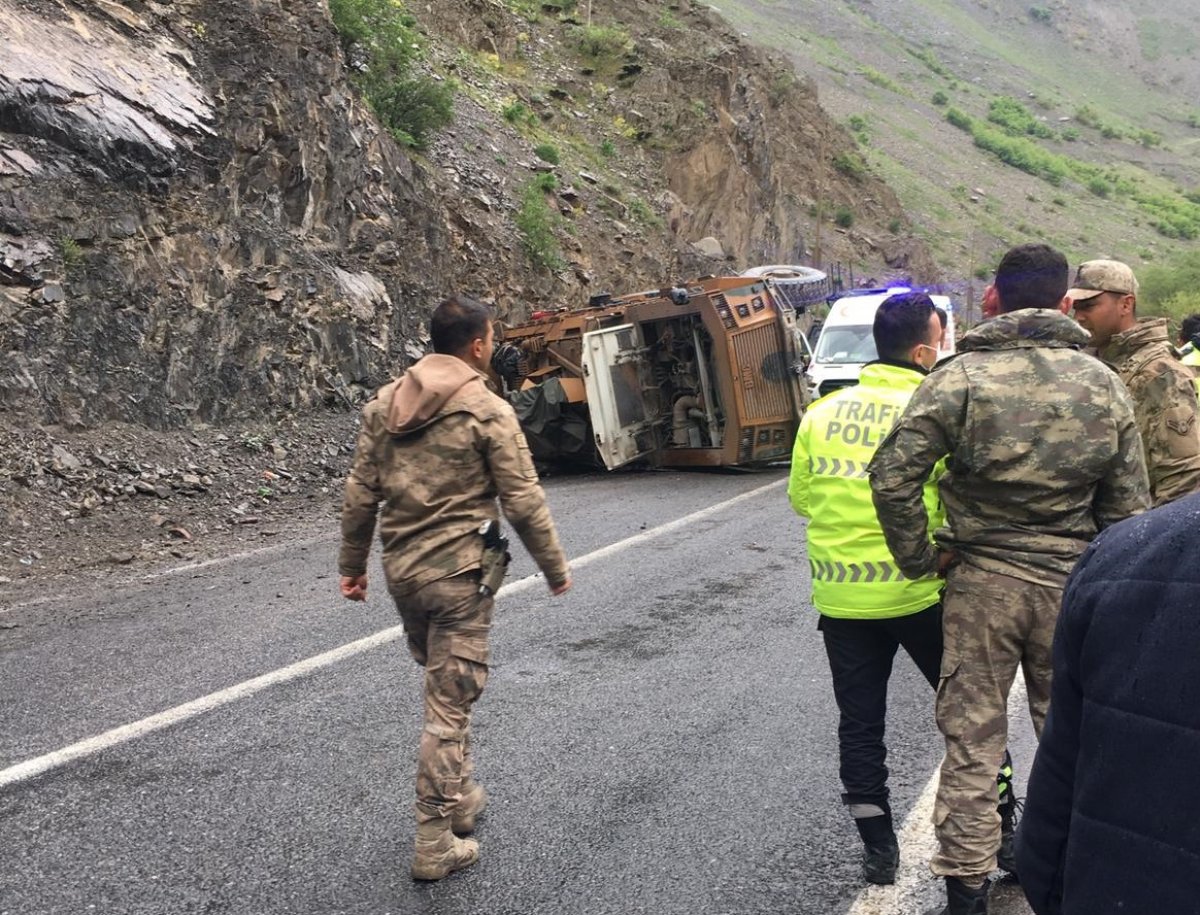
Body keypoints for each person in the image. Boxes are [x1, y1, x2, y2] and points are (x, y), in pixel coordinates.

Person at [867, 244, 1151, 915]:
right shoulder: (1100, 383)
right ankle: (1063, 874)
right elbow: (1130, 507)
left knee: (972, 739)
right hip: (1072, 586)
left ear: (995, 295)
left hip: (980, 582)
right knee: (1068, 736)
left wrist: (922, 557)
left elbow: (892, 476)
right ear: (1061, 302)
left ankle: (966, 888)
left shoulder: (959, 378)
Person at [338, 294, 572, 881]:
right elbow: (521, 497)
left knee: (446, 684)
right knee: (447, 707)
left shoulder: (384, 405)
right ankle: (434, 840)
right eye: (491, 338)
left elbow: (360, 493)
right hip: (461, 577)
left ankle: (462, 795)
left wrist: (353, 564)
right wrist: (554, 567)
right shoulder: (485, 407)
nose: (493, 347)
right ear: (476, 345)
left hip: (404, 575)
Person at [788, 293, 946, 886]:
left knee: (860, 726)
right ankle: (1002, 827)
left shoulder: (822, 414)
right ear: (926, 348)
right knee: (967, 713)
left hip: (844, 601)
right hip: (922, 592)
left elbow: (803, 500)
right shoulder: (934, 411)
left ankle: (878, 850)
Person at [1015, 493, 1200, 915]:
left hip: (1001, 581)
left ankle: (962, 872)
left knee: (975, 734)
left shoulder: (1131, 547)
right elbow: (1126, 490)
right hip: (1067, 563)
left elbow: (1054, 811)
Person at [1069, 259, 1200, 505]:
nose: (1079, 317)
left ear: (1126, 304)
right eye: (1076, 308)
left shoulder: (1159, 372)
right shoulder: (1090, 363)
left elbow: (1182, 480)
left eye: (1089, 306)